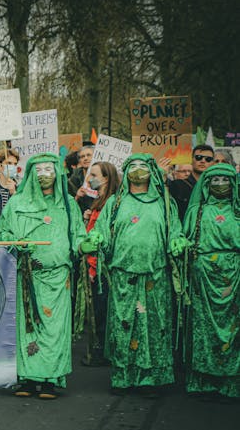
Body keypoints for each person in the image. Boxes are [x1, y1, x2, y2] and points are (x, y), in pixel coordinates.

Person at [88, 154, 189, 397]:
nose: (138, 170)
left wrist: (177, 241)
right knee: (124, 326)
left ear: (152, 171)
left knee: (155, 326)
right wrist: (95, 239)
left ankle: (152, 378)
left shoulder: (163, 203)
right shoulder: (115, 203)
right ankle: (124, 376)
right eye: (132, 166)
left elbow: (174, 229)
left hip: (156, 277)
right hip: (123, 277)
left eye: (143, 166)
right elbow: (101, 230)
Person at [0, 153, 87, 400]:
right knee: (27, 328)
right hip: (26, 276)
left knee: (54, 328)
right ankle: (26, 377)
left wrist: (84, 246)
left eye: (49, 170)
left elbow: (78, 234)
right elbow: (1, 233)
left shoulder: (68, 204)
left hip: (57, 278)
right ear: (30, 174)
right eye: (39, 170)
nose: (44, 175)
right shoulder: (16, 203)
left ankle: (49, 379)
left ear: (58, 173)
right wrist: (15, 244)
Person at [182, 164, 238, 399]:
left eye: (224, 180)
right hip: (203, 276)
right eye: (213, 180)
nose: (219, 185)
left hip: (233, 277)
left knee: (233, 329)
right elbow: (184, 238)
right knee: (203, 327)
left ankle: (230, 381)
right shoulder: (197, 211)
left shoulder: (237, 210)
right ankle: (203, 380)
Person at [76, 162, 120, 367]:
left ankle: (103, 350)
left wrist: (94, 267)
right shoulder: (98, 201)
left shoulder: (112, 203)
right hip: (94, 264)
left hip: (101, 266)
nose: (89, 178)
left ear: (106, 178)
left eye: (93, 174)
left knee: (102, 312)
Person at [169, 144, 216, 221]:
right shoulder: (177, 185)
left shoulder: (217, 187)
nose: (203, 161)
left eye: (208, 159)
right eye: (198, 157)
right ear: (191, 160)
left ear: (213, 163)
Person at [69, 146, 94, 214]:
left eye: (88, 155)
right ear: (79, 161)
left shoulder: (103, 175)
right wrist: (77, 197)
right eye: (82, 157)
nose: (85, 158)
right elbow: (69, 205)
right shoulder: (73, 179)